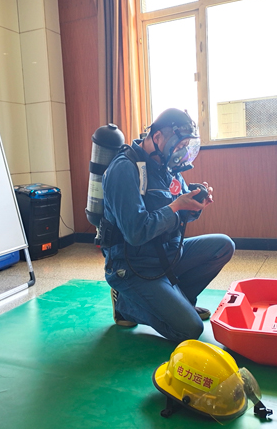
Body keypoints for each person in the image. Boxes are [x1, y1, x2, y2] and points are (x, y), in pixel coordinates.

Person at [100, 108, 235, 344]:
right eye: (179, 144)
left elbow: (179, 213)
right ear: (158, 137)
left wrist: (194, 204)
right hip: (134, 266)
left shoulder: (168, 167)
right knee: (190, 330)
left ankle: (181, 301)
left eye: (186, 146)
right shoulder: (125, 168)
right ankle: (125, 305)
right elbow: (135, 232)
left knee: (223, 246)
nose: (182, 151)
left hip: (166, 256)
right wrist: (175, 207)